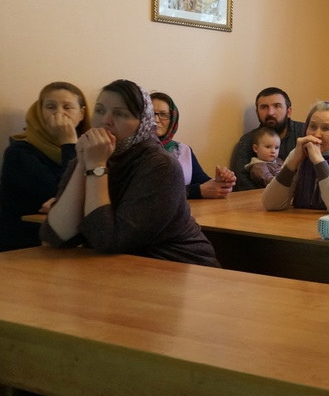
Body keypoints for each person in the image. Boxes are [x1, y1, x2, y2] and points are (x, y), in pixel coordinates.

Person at [39, 79, 219, 267]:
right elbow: (56, 237)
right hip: (119, 269)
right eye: (99, 110)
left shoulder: (160, 164)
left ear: (142, 123)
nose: (105, 121)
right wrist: (82, 160)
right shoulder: (93, 154)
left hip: (179, 266)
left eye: (120, 114)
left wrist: (96, 165)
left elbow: (107, 241)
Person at [0, 82, 90, 251]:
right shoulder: (19, 152)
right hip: (27, 247)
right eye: (50, 107)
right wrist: (69, 144)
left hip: (73, 243)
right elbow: (65, 197)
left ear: (82, 113)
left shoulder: (91, 147)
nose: (59, 113)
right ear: (40, 112)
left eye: (67, 107)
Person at [261, 101, 329, 212]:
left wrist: (318, 161)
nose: (316, 134)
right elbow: (271, 204)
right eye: (312, 126)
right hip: (303, 219)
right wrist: (293, 162)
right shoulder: (300, 151)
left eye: (326, 128)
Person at [151, 92, 236, 200]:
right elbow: (149, 193)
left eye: (163, 114)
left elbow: (202, 182)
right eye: (151, 114)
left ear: (173, 119)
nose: (156, 120)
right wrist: (197, 191)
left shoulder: (183, 150)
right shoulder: (135, 151)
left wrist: (221, 183)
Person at [230, 86, 306, 191]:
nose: (270, 112)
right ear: (257, 113)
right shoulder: (248, 141)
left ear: (288, 112)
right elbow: (244, 185)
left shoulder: (305, 133)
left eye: (277, 106)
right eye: (264, 107)